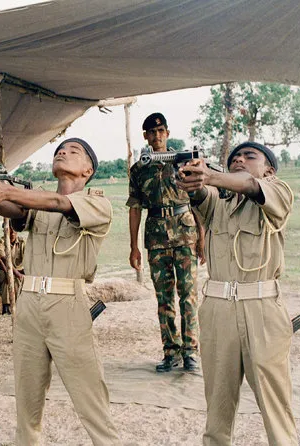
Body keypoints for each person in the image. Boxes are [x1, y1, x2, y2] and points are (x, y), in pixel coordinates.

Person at [0, 137, 121, 445]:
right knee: (28, 398)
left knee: (89, 396)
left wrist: (8, 189)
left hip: (67, 303)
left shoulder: (97, 202)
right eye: (59, 150)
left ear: (88, 170)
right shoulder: (38, 203)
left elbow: (59, 204)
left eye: (73, 151)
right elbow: (13, 209)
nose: (63, 152)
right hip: (29, 304)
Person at [176, 142, 297, 445]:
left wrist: (210, 176)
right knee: (217, 404)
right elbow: (200, 195)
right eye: (233, 159)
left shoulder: (278, 190)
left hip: (262, 308)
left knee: (274, 403)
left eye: (249, 156)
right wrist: (191, 179)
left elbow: (250, 186)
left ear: (268, 169)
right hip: (218, 309)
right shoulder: (219, 203)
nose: (239, 160)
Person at [127, 112, 204, 372]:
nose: (157, 136)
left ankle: (191, 352)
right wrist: (133, 246)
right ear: (146, 136)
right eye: (152, 132)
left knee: (188, 296)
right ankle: (171, 353)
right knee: (164, 298)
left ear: (167, 134)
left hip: (185, 235)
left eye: (161, 131)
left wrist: (202, 239)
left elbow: (197, 202)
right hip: (156, 237)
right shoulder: (139, 169)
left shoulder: (184, 162)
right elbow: (135, 208)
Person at [0, 220, 26, 314]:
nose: (12, 233)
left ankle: (10, 306)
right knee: (8, 276)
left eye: (14, 229)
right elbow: (5, 261)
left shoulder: (21, 242)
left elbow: (27, 259)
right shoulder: (0, 243)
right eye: (9, 230)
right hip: (5, 270)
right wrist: (18, 274)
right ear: (4, 231)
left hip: (19, 270)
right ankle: (8, 305)